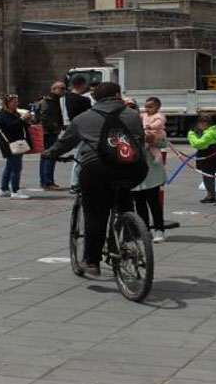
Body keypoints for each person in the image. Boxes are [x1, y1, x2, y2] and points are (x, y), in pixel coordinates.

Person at [43, 81, 144, 277]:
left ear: (94, 98)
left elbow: (64, 143)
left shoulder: (83, 118)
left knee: (95, 215)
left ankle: (92, 262)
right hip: (133, 169)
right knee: (123, 196)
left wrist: (49, 153)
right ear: (117, 94)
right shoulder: (132, 115)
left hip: (97, 170)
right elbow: (138, 139)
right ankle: (127, 229)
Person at [133, 97, 167, 242]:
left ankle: (159, 230)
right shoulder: (130, 125)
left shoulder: (152, 122)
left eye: (132, 107)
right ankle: (144, 230)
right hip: (134, 172)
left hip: (151, 170)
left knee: (153, 201)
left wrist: (152, 139)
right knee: (139, 203)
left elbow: (162, 141)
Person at [0, 95, 32, 199]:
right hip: (9, 144)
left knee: (9, 167)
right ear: (7, 103)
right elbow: (11, 126)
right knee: (16, 168)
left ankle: (4, 189)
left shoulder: (14, 113)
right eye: (14, 102)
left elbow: (21, 126)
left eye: (17, 102)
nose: (16, 104)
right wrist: (22, 118)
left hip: (17, 143)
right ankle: (15, 191)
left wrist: (27, 120)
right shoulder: (3, 114)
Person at [63, 76, 93, 193]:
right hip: (84, 130)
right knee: (80, 157)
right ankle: (75, 183)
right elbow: (91, 113)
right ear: (81, 84)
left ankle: (76, 182)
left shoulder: (68, 98)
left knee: (79, 156)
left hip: (74, 128)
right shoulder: (83, 100)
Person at [36, 81, 66, 190]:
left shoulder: (54, 100)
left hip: (49, 131)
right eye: (61, 88)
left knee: (46, 156)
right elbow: (45, 117)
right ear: (54, 89)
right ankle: (48, 182)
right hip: (48, 132)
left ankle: (45, 181)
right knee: (50, 156)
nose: (64, 90)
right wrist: (56, 126)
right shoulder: (49, 101)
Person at [188, 115, 216, 205]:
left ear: (205, 124)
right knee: (208, 177)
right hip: (209, 157)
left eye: (199, 124)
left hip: (208, 158)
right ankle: (210, 195)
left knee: (208, 177)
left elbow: (198, 144)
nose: (198, 126)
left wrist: (191, 134)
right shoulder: (211, 131)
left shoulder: (209, 133)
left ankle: (211, 197)